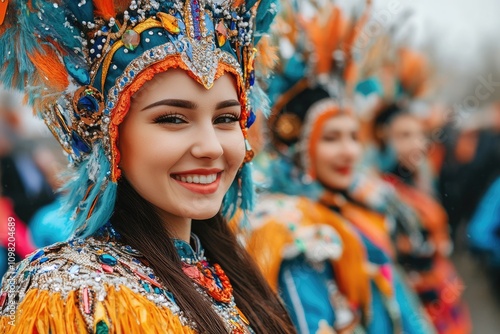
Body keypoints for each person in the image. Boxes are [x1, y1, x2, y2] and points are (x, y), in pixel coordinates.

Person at [0, 0, 296, 333]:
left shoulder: (238, 277)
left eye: (225, 118)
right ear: (108, 135)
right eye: (172, 119)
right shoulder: (73, 296)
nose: (211, 147)